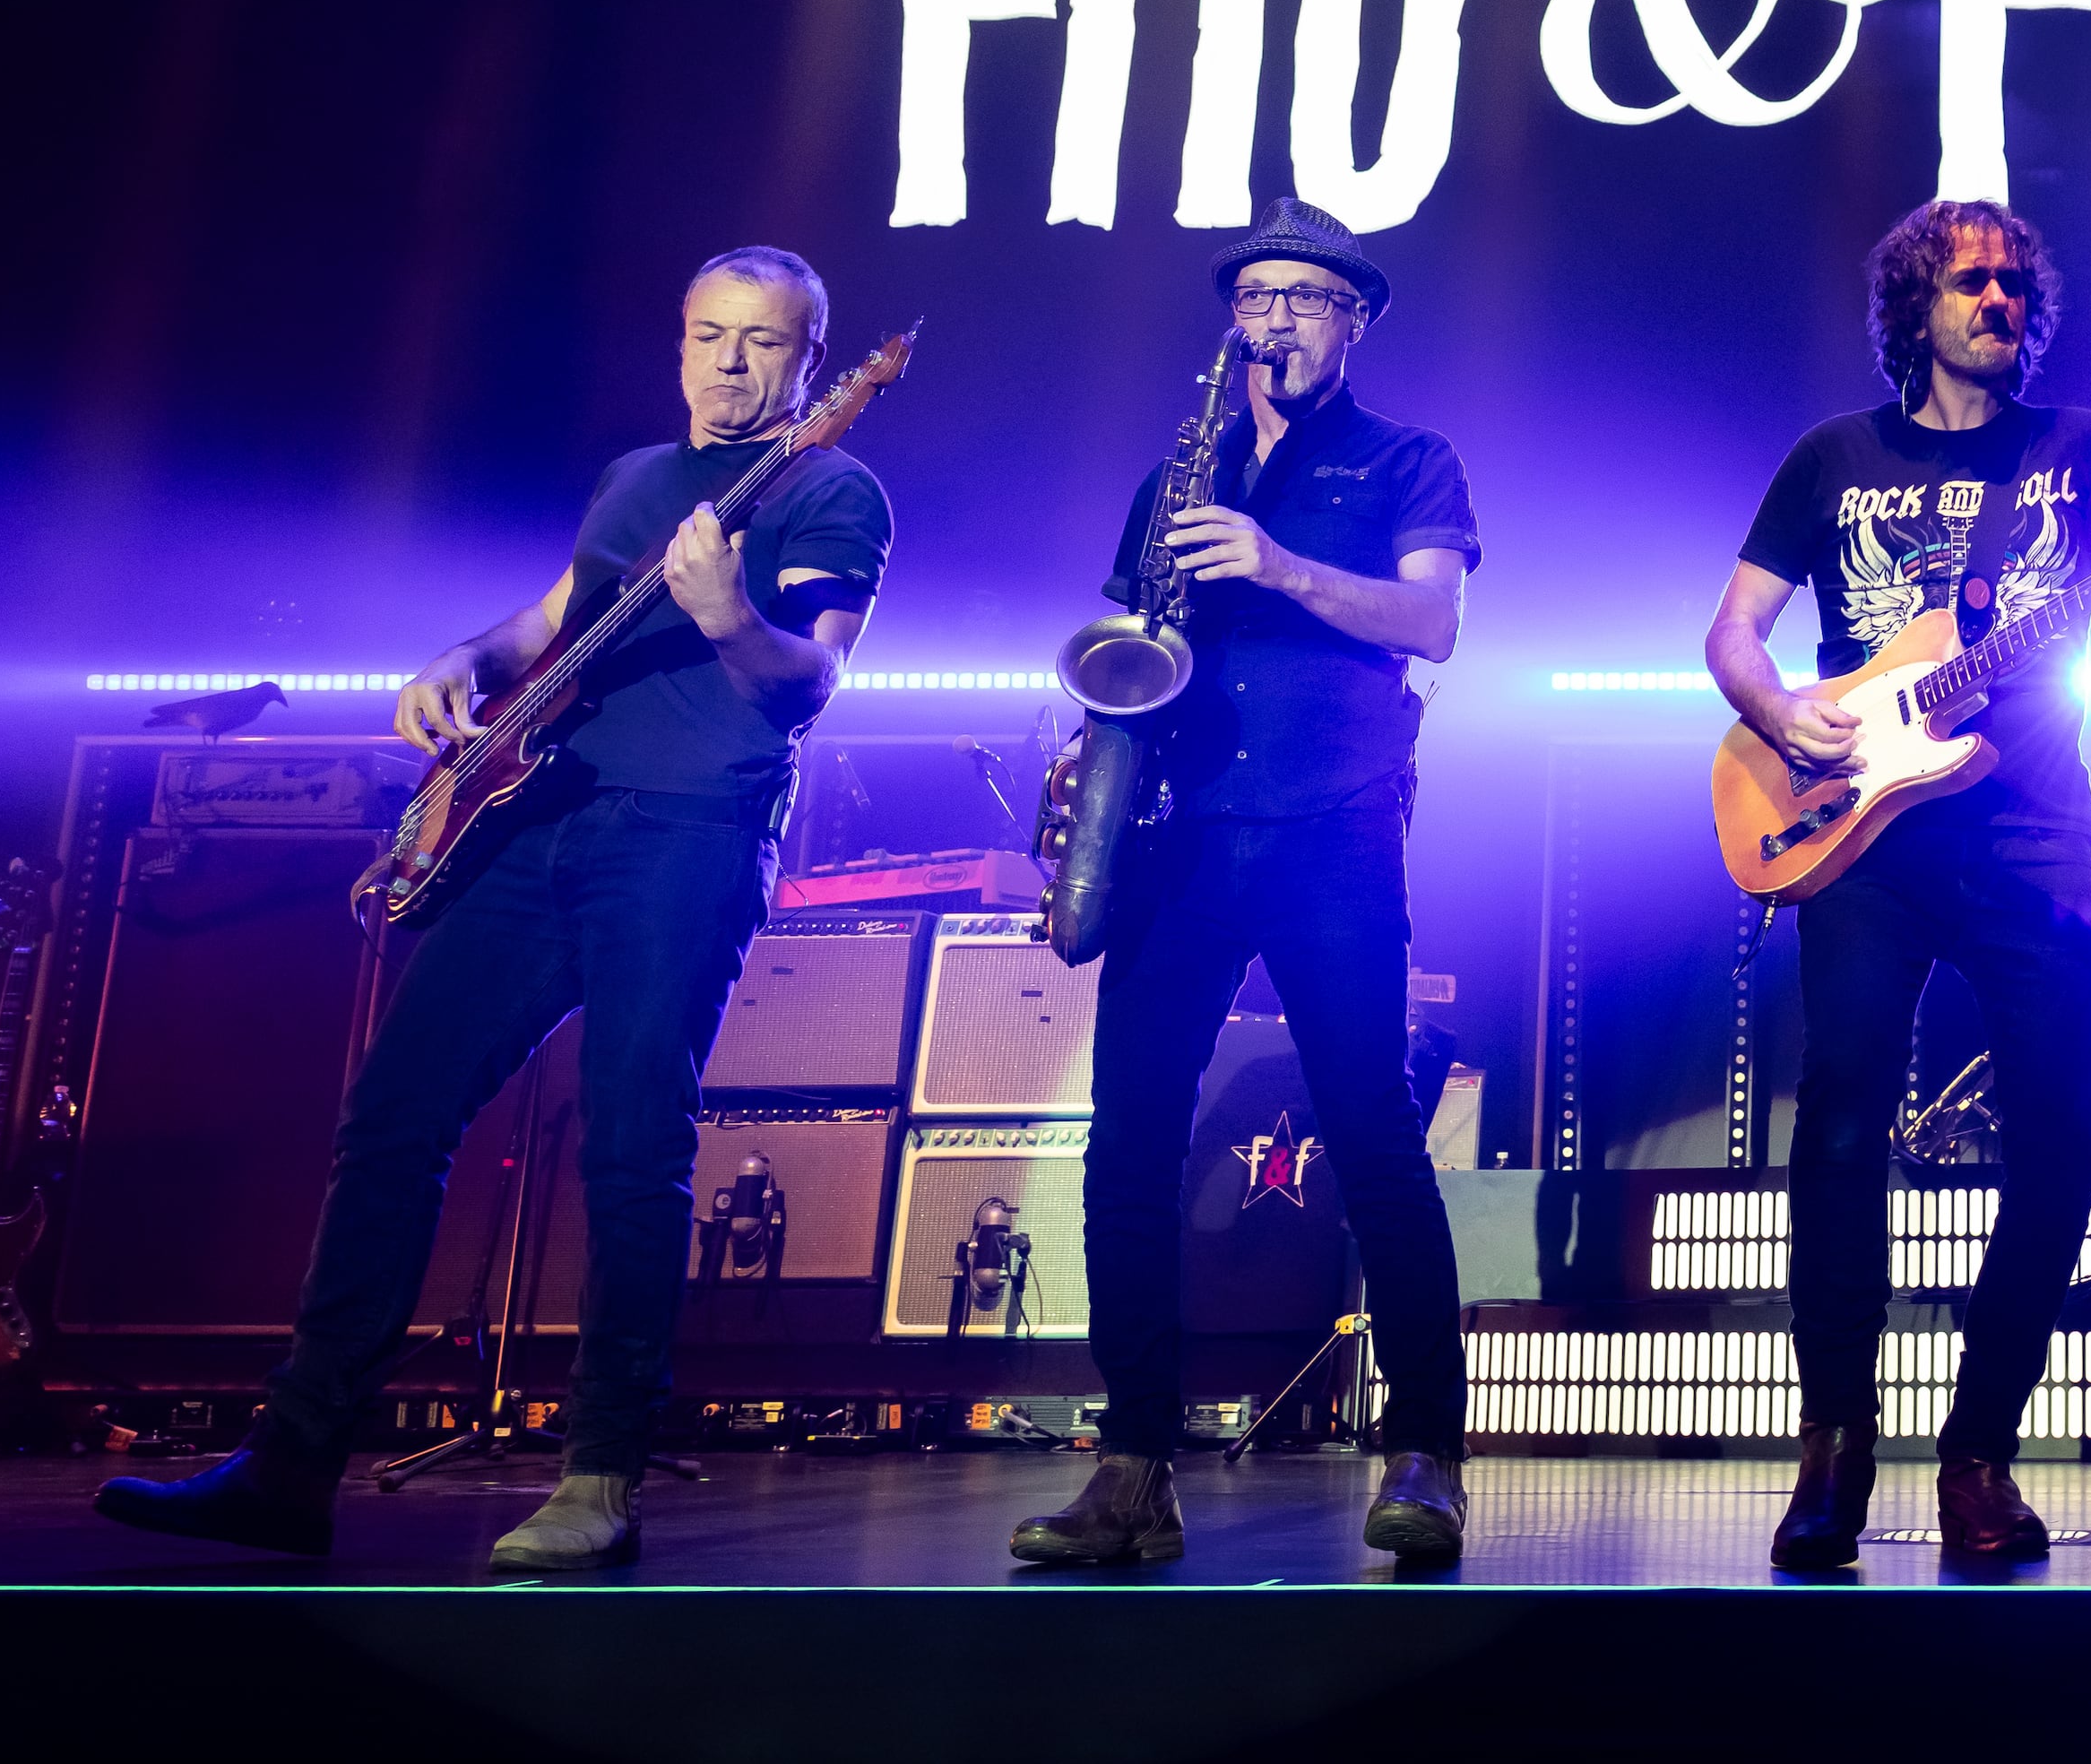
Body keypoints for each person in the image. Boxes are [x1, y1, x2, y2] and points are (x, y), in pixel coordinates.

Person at [97, 248, 889, 1569]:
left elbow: (807, 684)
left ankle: (601, 1478)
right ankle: (294, 1460)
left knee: (635, 1147)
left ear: (814, 360)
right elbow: (556, 618)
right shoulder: (636, 478)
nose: (729, 362)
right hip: (543, 823)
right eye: (708, 334)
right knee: (394, 1116)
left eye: (762, 342)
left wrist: (730, 615)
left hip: (686, 836)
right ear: (679, 340)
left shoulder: (832, 486)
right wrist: (461, 658)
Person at [1706, 198, 2091, 1569]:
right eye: (1969, 283)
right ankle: (1835, 1450)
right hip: (1863, 834)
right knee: (1843, 1126)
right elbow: (1735, 630)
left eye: (2013, 286)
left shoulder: (2086, 452)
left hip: (2037, 829)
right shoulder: (1835, 457)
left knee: (2060, 1143)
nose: (1999, 302)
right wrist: (1784, 713)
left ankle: (1979, 1453)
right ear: (1913, 310)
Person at [1008, 199, 1479, 1570]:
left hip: (1334, 829)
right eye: (1257, 296)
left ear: (1355, 320)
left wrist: (1277, 564)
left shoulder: (1409, 459)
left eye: (1306, 298)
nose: (1275, 319)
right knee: (1129, 1143)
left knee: (1377, 1144)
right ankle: (1134, 1465)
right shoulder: (1179, 474)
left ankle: (1428, 1454)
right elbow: (1123, 642)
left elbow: (1433, 618)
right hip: (1184, 831)